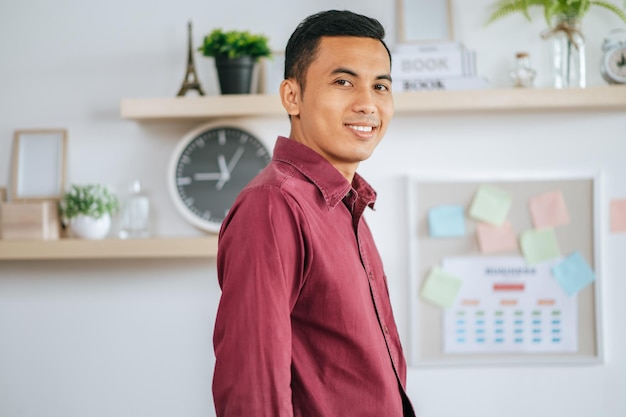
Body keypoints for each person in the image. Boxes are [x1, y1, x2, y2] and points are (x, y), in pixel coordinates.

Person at [213, 10, 415, 417]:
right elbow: (252, 391)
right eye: (343, 82)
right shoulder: (273, 205)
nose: (367, 104)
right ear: (292, 96)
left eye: (380, 86)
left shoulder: (348, 205)